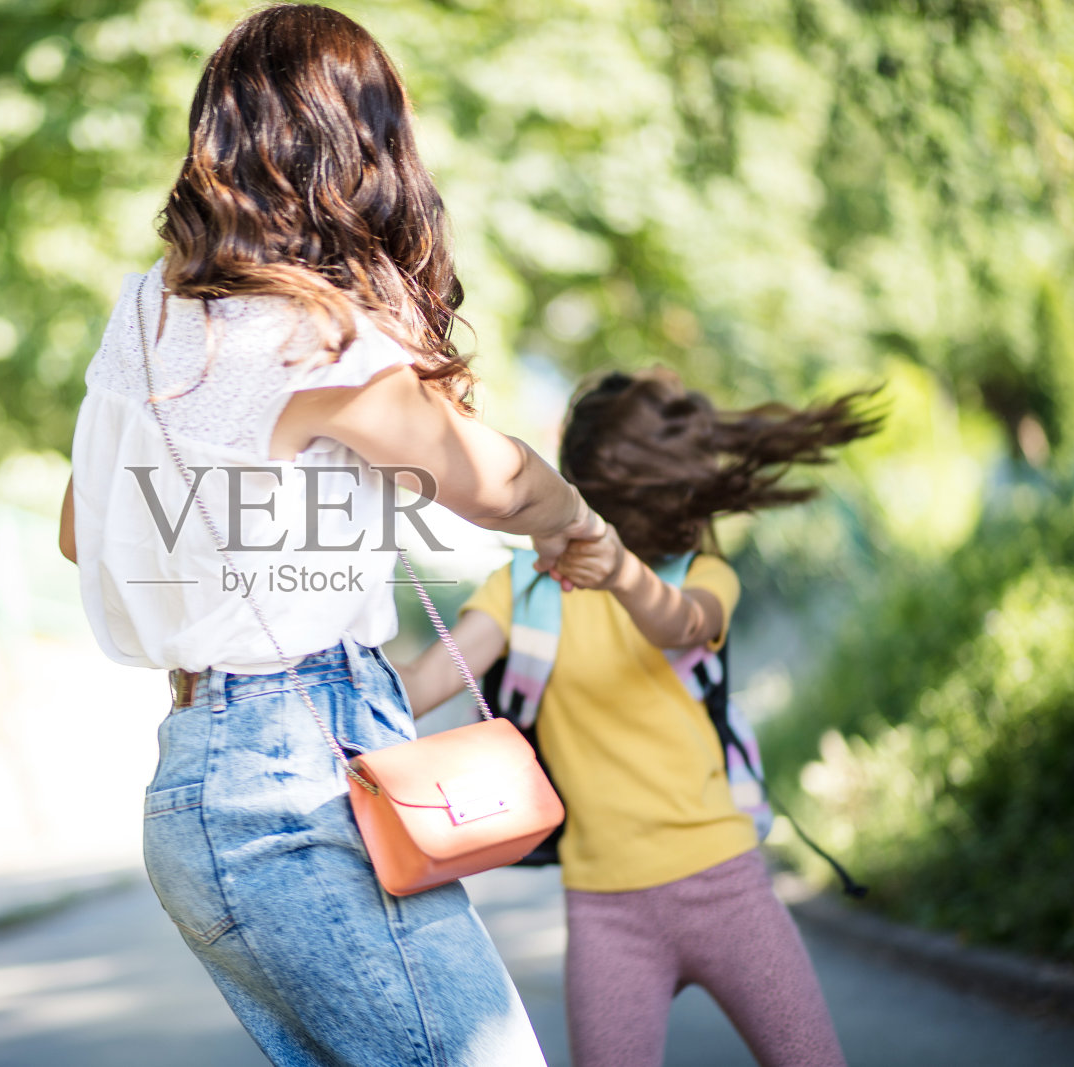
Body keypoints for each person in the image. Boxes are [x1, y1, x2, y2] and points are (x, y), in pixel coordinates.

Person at [58, 6, 606, 1065]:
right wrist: (574, 524)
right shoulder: (307, 332)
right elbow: (491, 479)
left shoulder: (141, 321)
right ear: (356, 150)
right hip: (289, 779)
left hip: (203, 783)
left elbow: (87, 534)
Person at [398, 368, 880, 1067]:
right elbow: (424, 682)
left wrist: (620, 569)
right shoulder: (524, 586)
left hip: (728, 884)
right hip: (605, 910)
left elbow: (678, 624)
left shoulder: (704, 575)